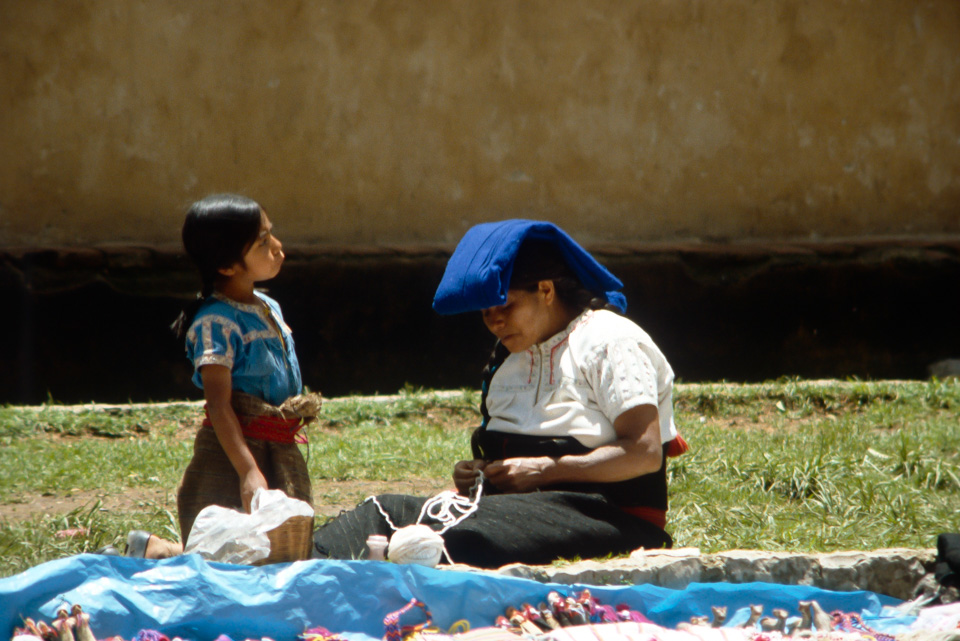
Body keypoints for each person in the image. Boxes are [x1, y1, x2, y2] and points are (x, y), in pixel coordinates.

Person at [312, 219, 687, 568]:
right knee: (379, 513)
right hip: (514, 510)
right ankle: (297, 577)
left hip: (607, 514)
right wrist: (481, 476)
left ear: (546, 290)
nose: (495, 322)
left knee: (460, 538)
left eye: (505, 305)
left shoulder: (611, 341)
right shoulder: (507, 359)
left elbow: (644, 452)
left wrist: (547, 470)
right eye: (485, 312)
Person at [126, 194, 317, 559]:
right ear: (228, 265)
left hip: (279, 448)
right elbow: (219, 404)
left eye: (271, 234)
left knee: (280, 548)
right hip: (232, 455)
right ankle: (160, 553)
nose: (277, 247)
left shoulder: (268, 306)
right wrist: (247, 471)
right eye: (263, 242)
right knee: (223, 550)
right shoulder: (217, 323)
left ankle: (158, 550)